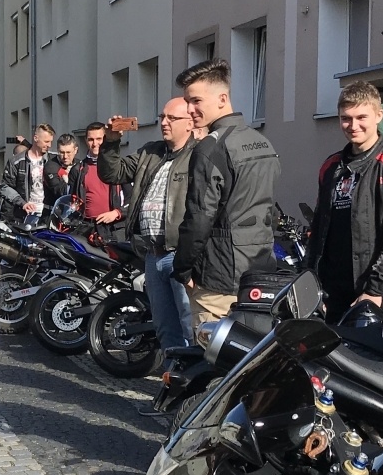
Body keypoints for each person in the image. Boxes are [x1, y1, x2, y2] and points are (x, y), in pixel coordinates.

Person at [172, 59, 281, 332]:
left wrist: (183, 269)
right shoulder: (263, 142)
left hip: (219, 278)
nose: (189, 109)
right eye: (187, 101)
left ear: (222, 98)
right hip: (261, 269)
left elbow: (198, 219)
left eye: (195, 100)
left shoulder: (210, 148)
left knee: (214, 360)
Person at [307, 82, 383, 320]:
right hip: (334, 294)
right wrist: (311, 284)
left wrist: (374, 289)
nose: (353, 126)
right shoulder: (331, 167)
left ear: (378, 115)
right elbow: (319, 230)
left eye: (361, 117)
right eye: (346, 118)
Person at [99, 98, 196, 359]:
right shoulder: (151, 152)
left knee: (190, 324)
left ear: (190, 122)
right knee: (166, 326)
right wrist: (111, 141)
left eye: (171, 118)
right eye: (162, 116)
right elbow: (112, 174)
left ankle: (194, 386)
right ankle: (172, 381)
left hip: (180, 254)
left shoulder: (199, 155)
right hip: (153, 254)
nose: (163, 122)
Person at [0, 123, 63, 222]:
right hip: (24, 215)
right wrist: (22, 203)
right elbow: (5, 187)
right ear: (36, 138)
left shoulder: (54, 161)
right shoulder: (16, 161)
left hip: (48, 215)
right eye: (46, 141)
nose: (49, 145)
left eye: (51, 142)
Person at [70, 122, 125, 226]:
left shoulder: (119, 166)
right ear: (86, 141)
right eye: (91, 139)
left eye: (99, 139)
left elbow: (132, 199)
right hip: (87, 227)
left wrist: (116, 213)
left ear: (105, 139)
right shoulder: (77, 169)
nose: (95, 144)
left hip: (114, 228)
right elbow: (72, 201)